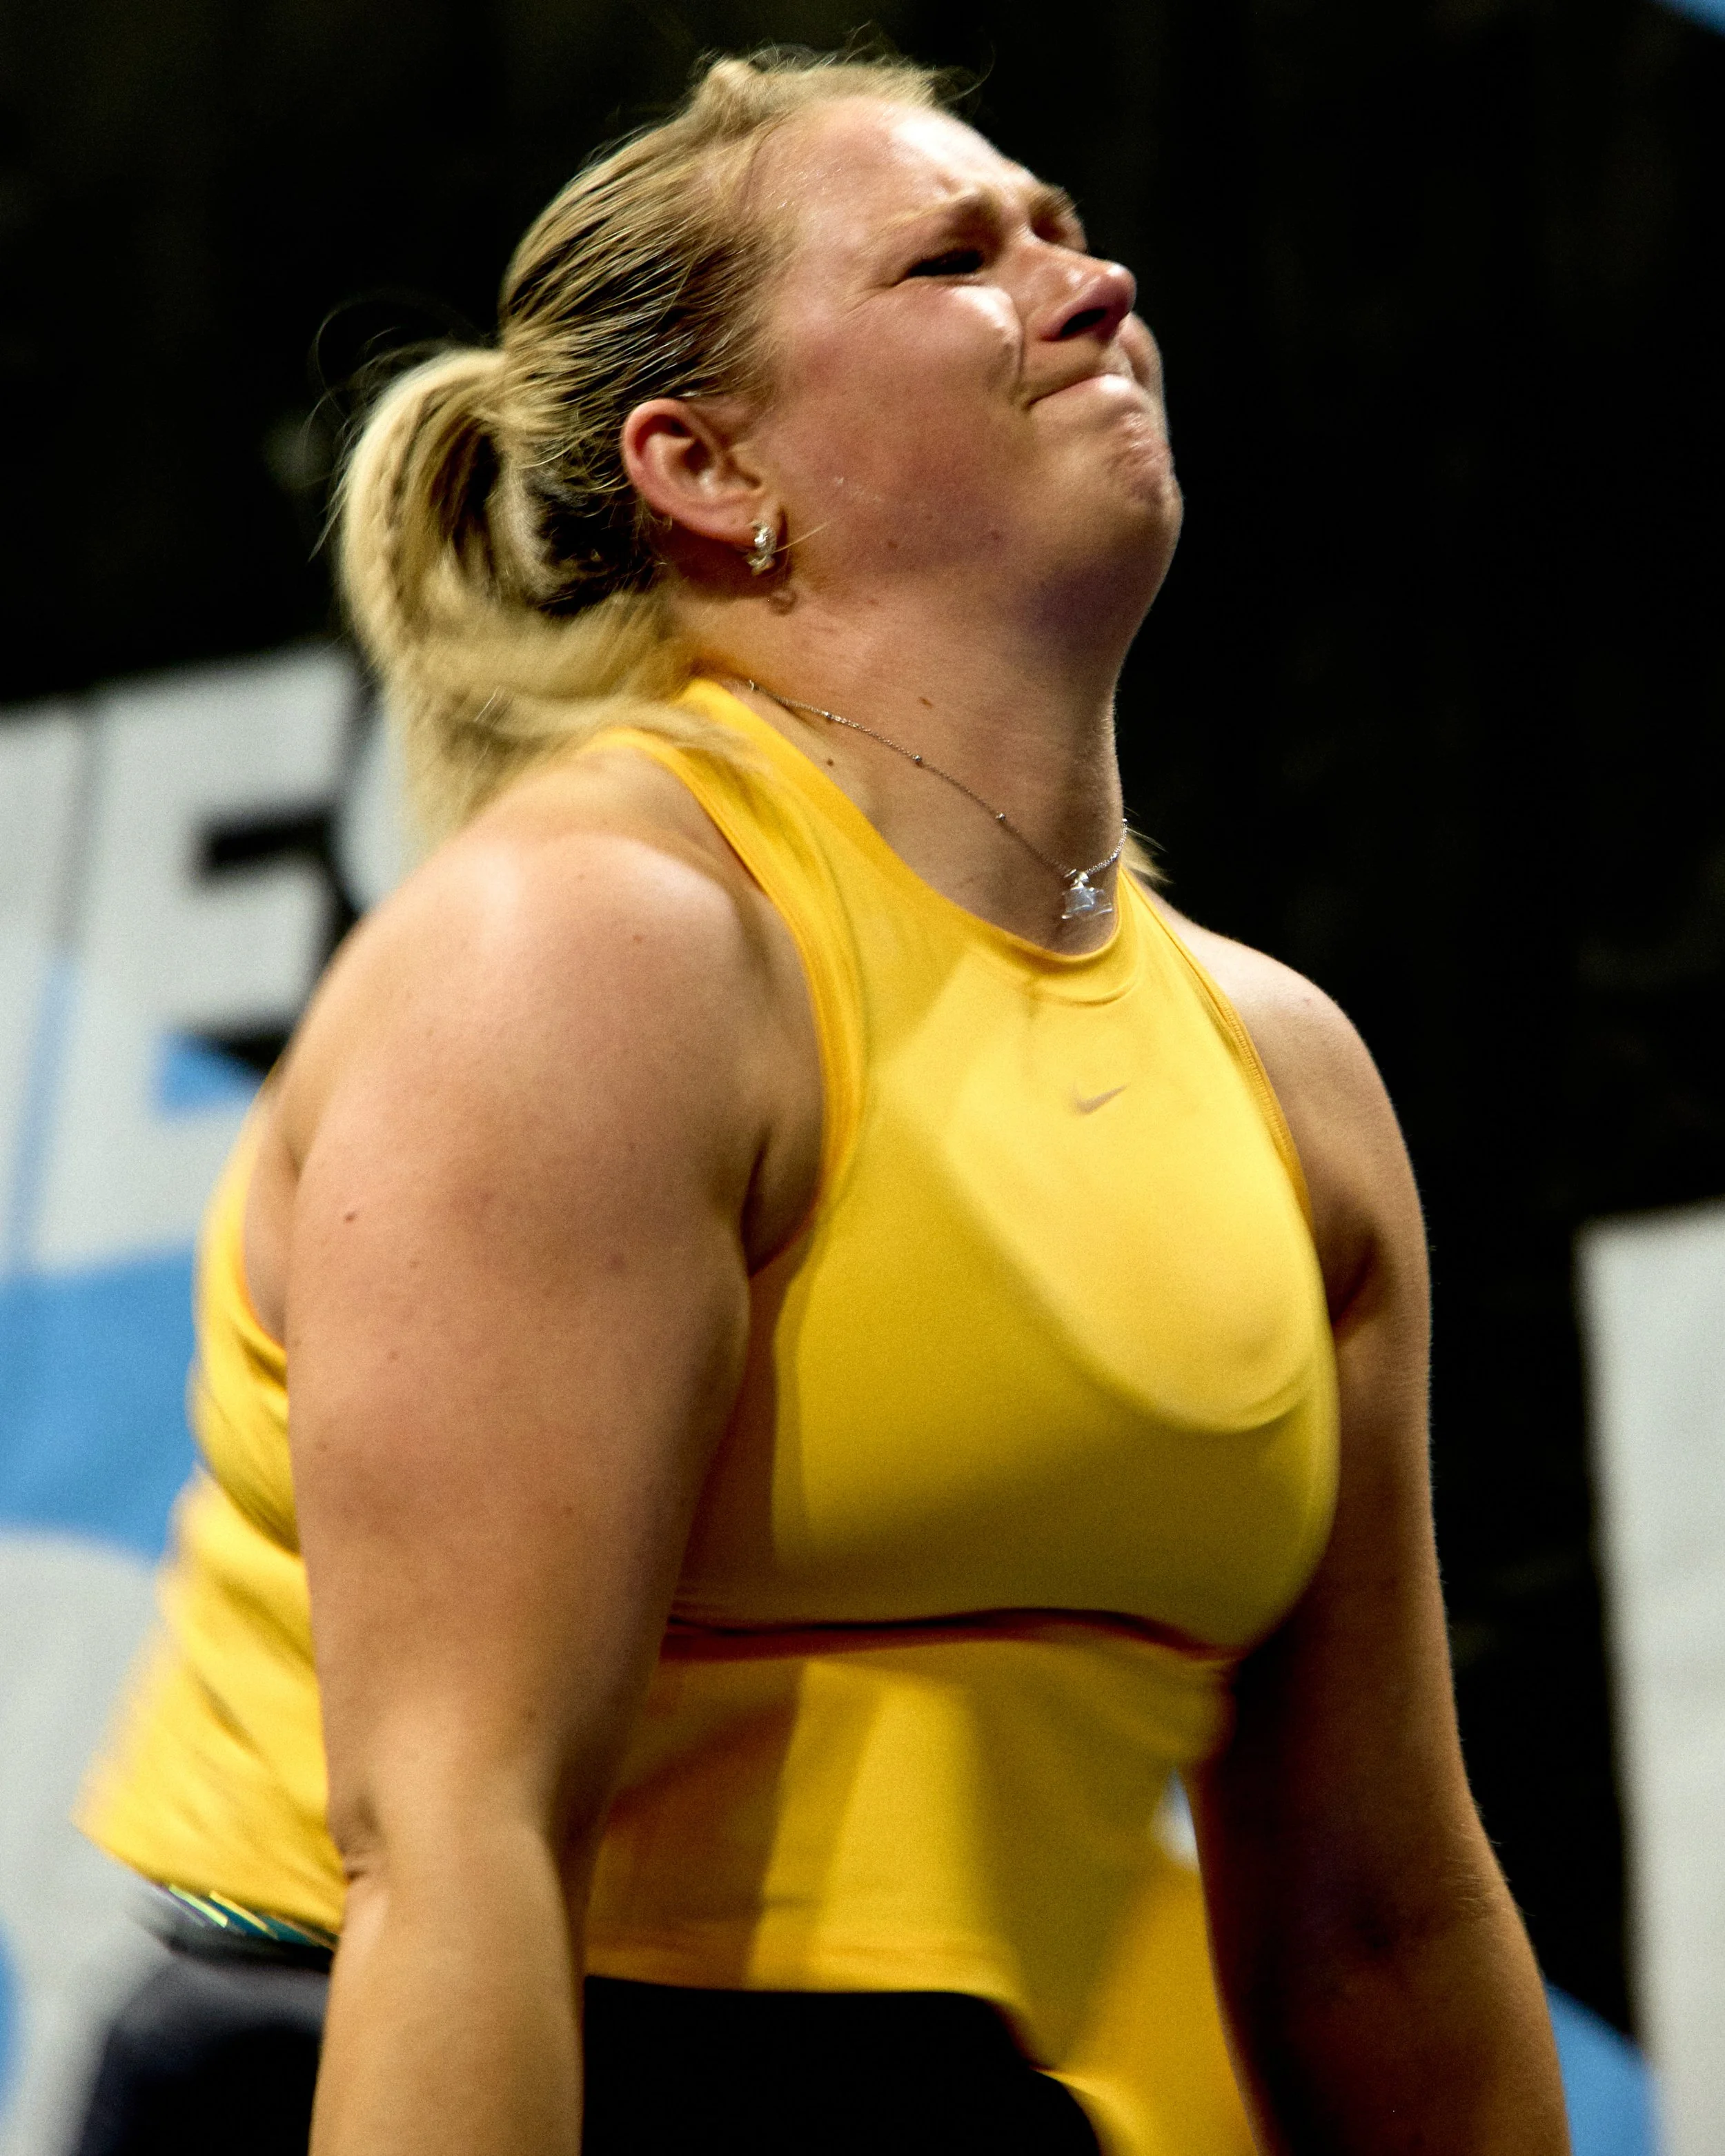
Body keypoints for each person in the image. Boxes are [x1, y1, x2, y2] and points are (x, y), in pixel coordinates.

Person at [73, 47, 1570, 2156]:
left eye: (1062, 226)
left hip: (920, 2095)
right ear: (708, 468)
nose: (1087, 277)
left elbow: (1375, 1929)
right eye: (956, 254)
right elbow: (454, 1843)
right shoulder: (597, 952)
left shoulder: (1283, 1078)